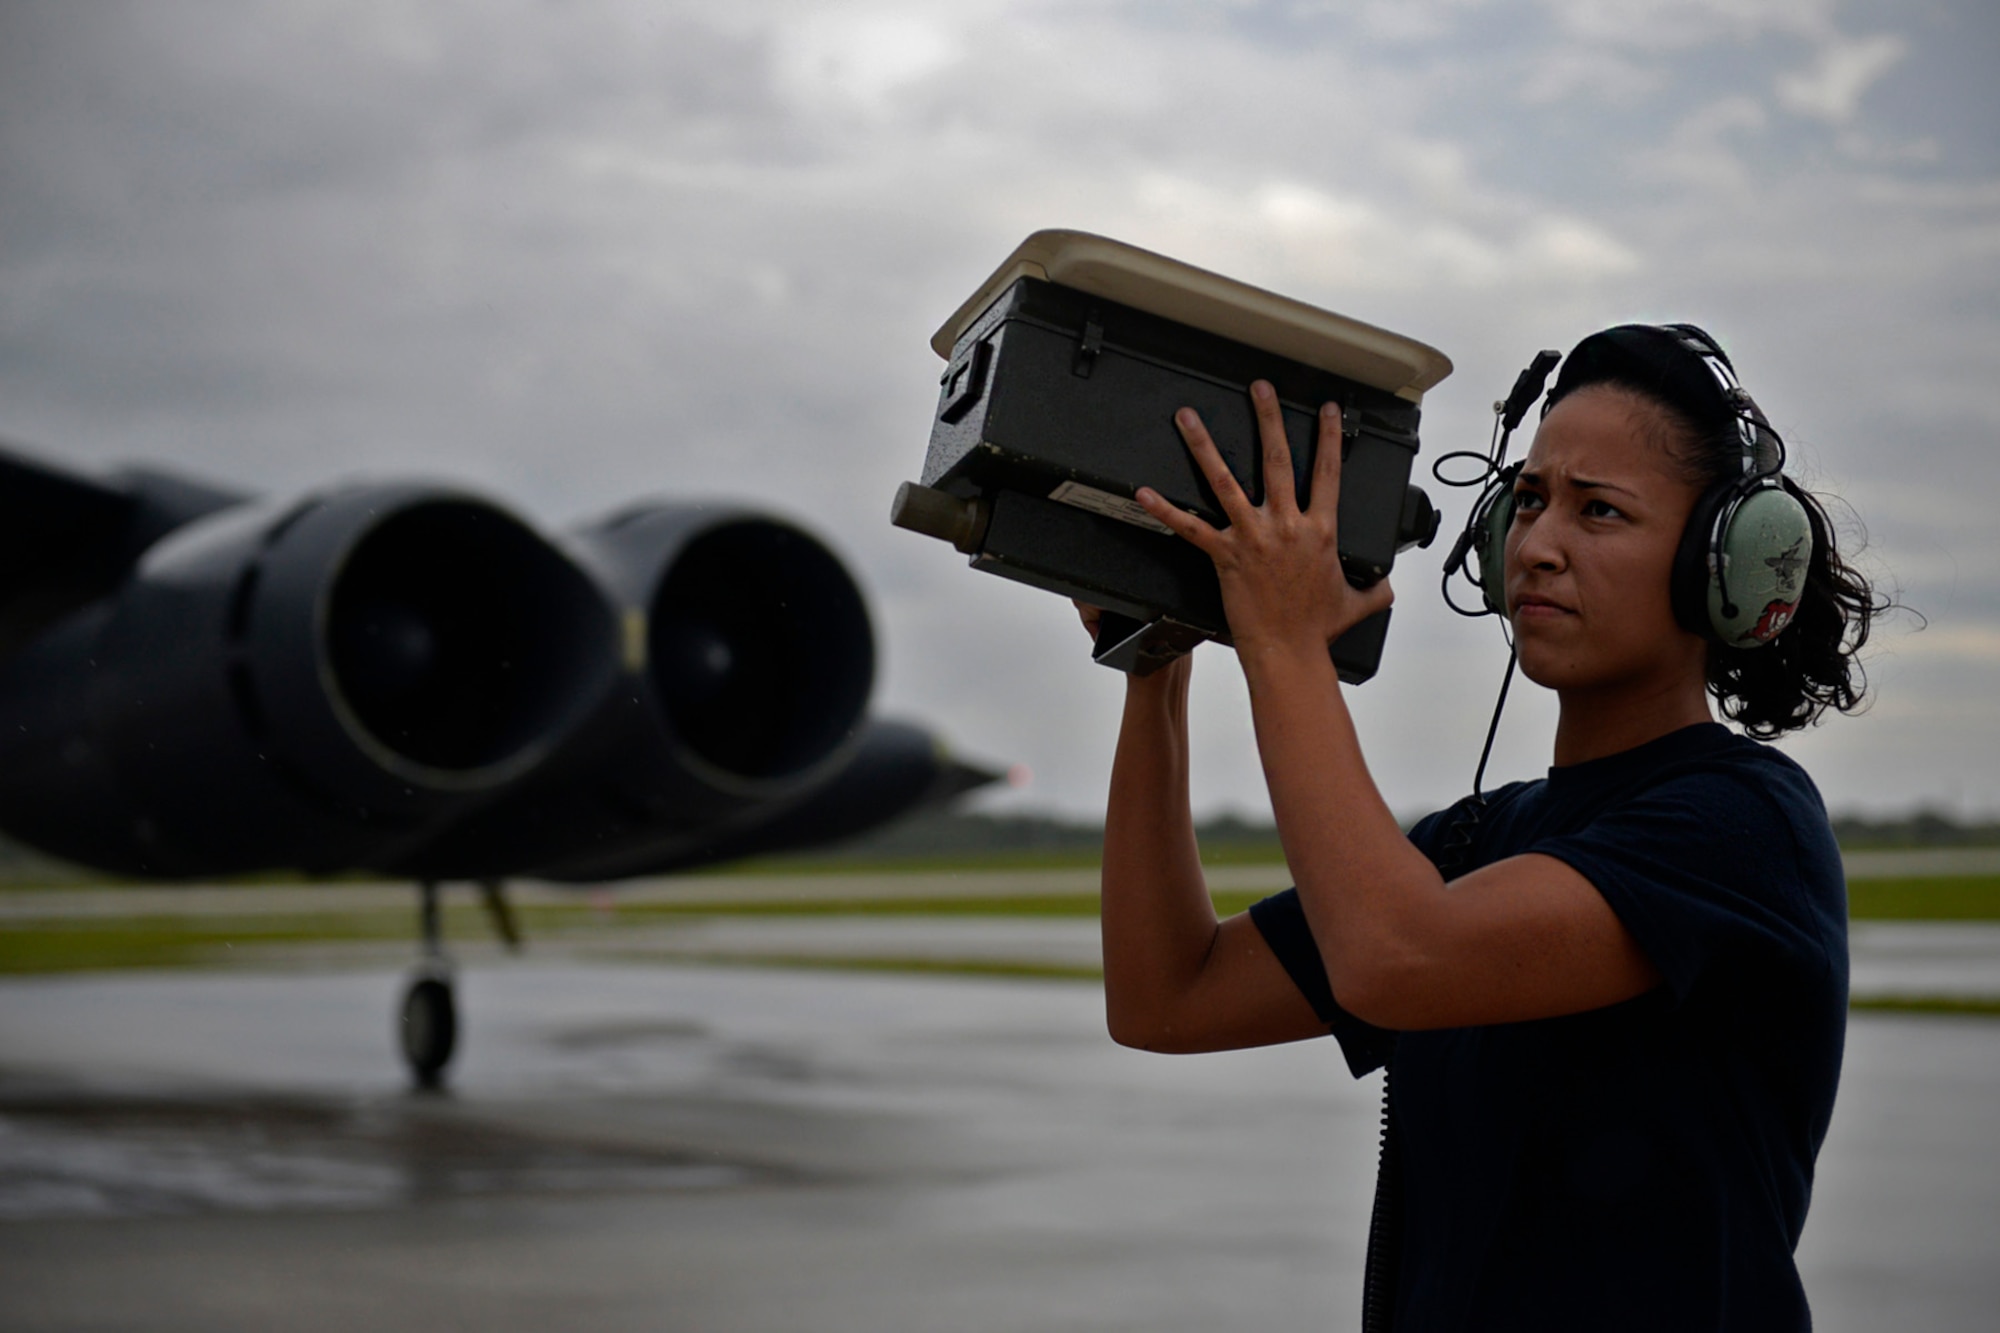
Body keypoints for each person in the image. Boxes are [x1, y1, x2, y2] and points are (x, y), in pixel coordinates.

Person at [1082, 324, 1877, 1331]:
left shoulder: (1740, 824)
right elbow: (1166, 996)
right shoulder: (1477, 841)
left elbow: (1394, 957)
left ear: (1718, 565)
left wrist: (1280, 640)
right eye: (1529, 500)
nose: (1536, 545)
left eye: (1599, 511)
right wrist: (1154, 666)